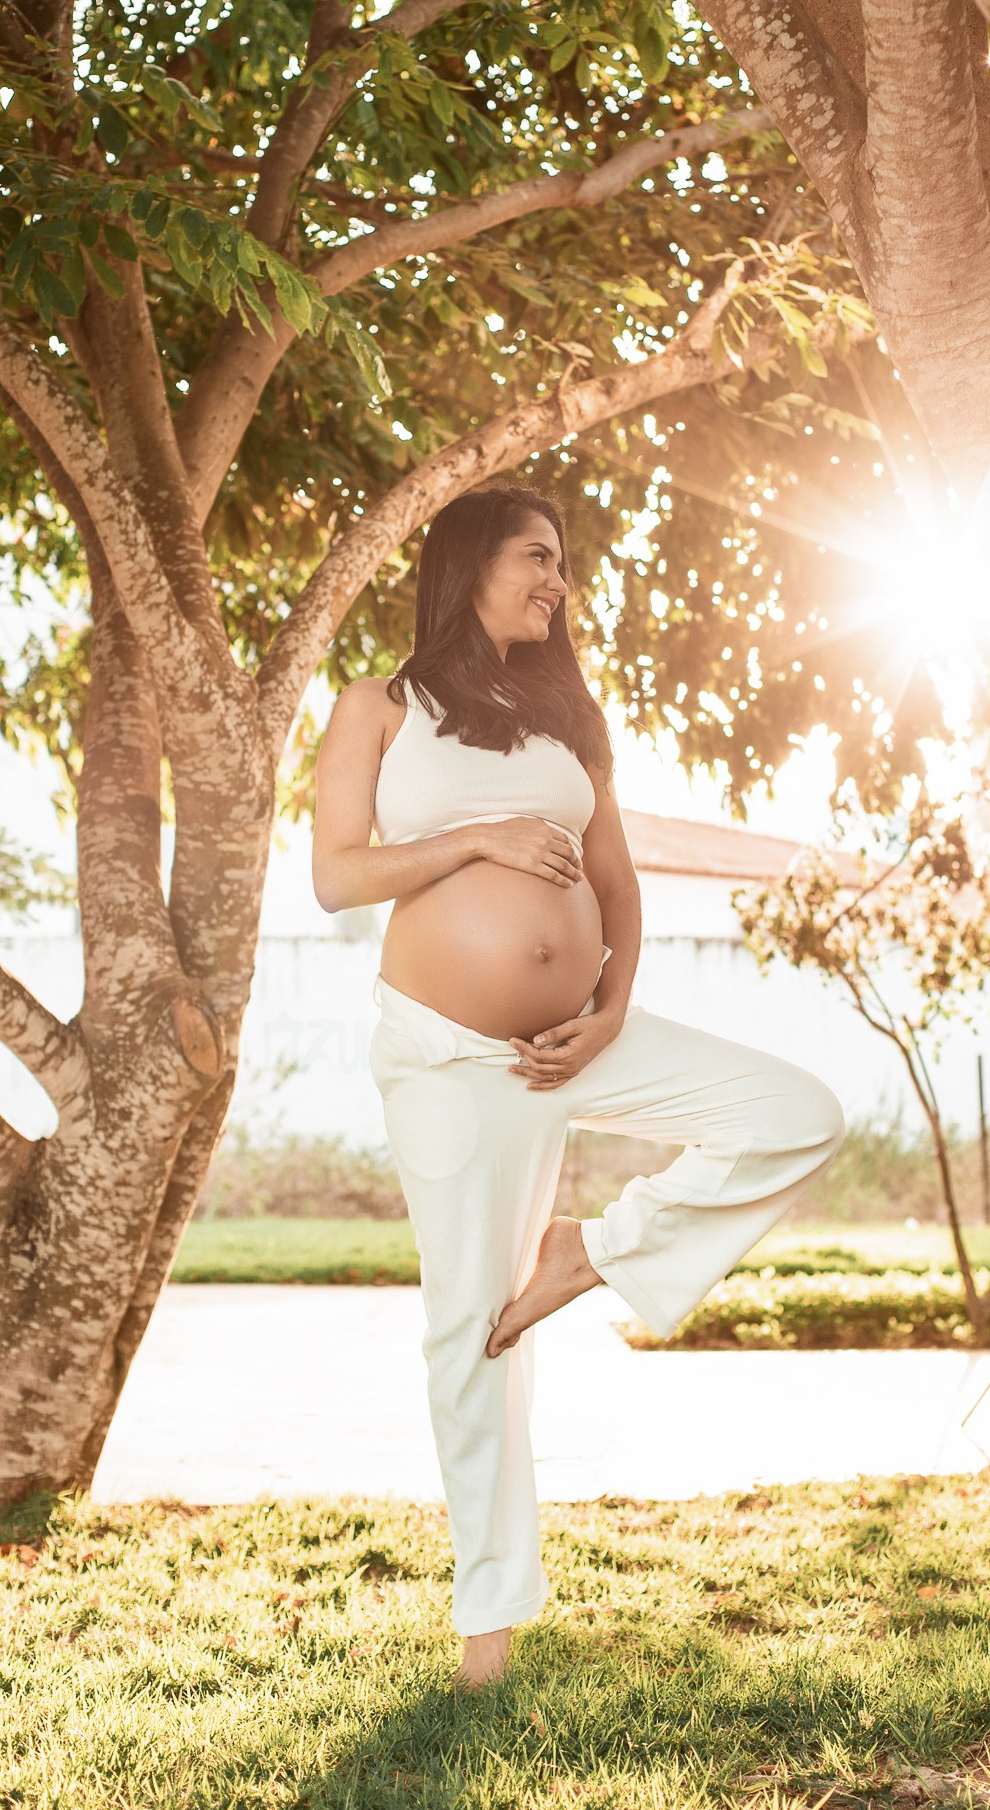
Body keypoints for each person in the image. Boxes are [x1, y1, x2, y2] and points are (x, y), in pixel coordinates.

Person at [311, 483, 846, 1692]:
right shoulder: (378, 710)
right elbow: (338, 876)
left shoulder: (568, 722)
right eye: (537, 557)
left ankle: (590, 1252)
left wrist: (608, 1012)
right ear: (469, 563)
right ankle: (487, 1641)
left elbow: (620, 884)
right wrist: (477, 841)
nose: (557, 581)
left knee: (797, 1113)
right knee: (470, 1330)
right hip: (454, 1058)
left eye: (562, 564)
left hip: (581, 1039)